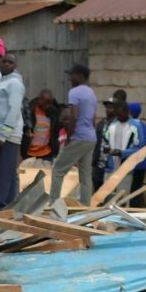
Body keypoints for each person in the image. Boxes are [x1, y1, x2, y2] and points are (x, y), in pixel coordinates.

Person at [0, 41, 26, 211]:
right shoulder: (3, 81)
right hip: (1, 134)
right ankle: (7, 205)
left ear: (15, 65)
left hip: (7, 136)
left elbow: (14, 111)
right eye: (4, 61)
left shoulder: (14, 84)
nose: (6, 64)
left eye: (10, 62)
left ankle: (0, 205)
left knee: (2, 172)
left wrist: (3, 135)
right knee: (5, 171)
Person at [49, 63, 99, 205]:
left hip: (78, 137)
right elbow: (93, 118)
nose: (70, 78)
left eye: (72, 75)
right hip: (90, 138)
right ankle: (85, 207)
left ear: (80, 76)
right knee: (85, 175)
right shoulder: (91, 93)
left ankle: (53, 205)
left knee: (58, 170)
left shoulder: (75, 92)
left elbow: (74, 116)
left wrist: (69, 138)